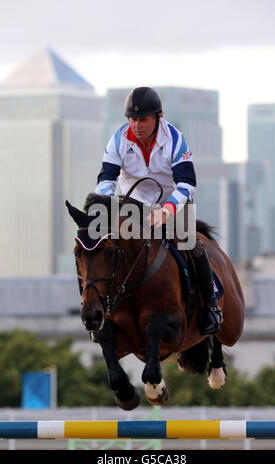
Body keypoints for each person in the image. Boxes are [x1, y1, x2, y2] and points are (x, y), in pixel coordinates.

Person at [95, 86, 222, 335]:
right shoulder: (118, 139)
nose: (137, 126)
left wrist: (166, 210)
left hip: (173, 202)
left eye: (143, 120)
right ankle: (103, 308)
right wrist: (109, 205)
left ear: (157, 118)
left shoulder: (175, 138)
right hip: (134, 204)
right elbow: (105, 179)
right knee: (106, 247)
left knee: (192, 244)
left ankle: (211, 307)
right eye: (133, 120)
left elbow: (187, 183)